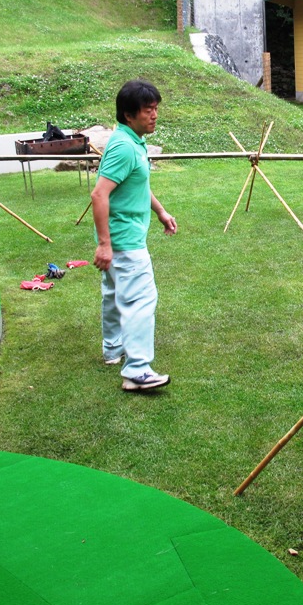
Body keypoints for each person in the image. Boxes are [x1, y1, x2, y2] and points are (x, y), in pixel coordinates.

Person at [92, 79, 178, 392]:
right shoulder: (125, 147)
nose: (154, 116)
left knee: (114, 296)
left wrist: (160, 212)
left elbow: (137, 185)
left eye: (155, 109)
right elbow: (99, 195)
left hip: (121, 237)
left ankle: (113, 350)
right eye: (147, 110)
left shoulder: (132, 142)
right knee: (142, 299)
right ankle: (138, 371)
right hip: (124, 240)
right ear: (129, 115)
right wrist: (105, 244)